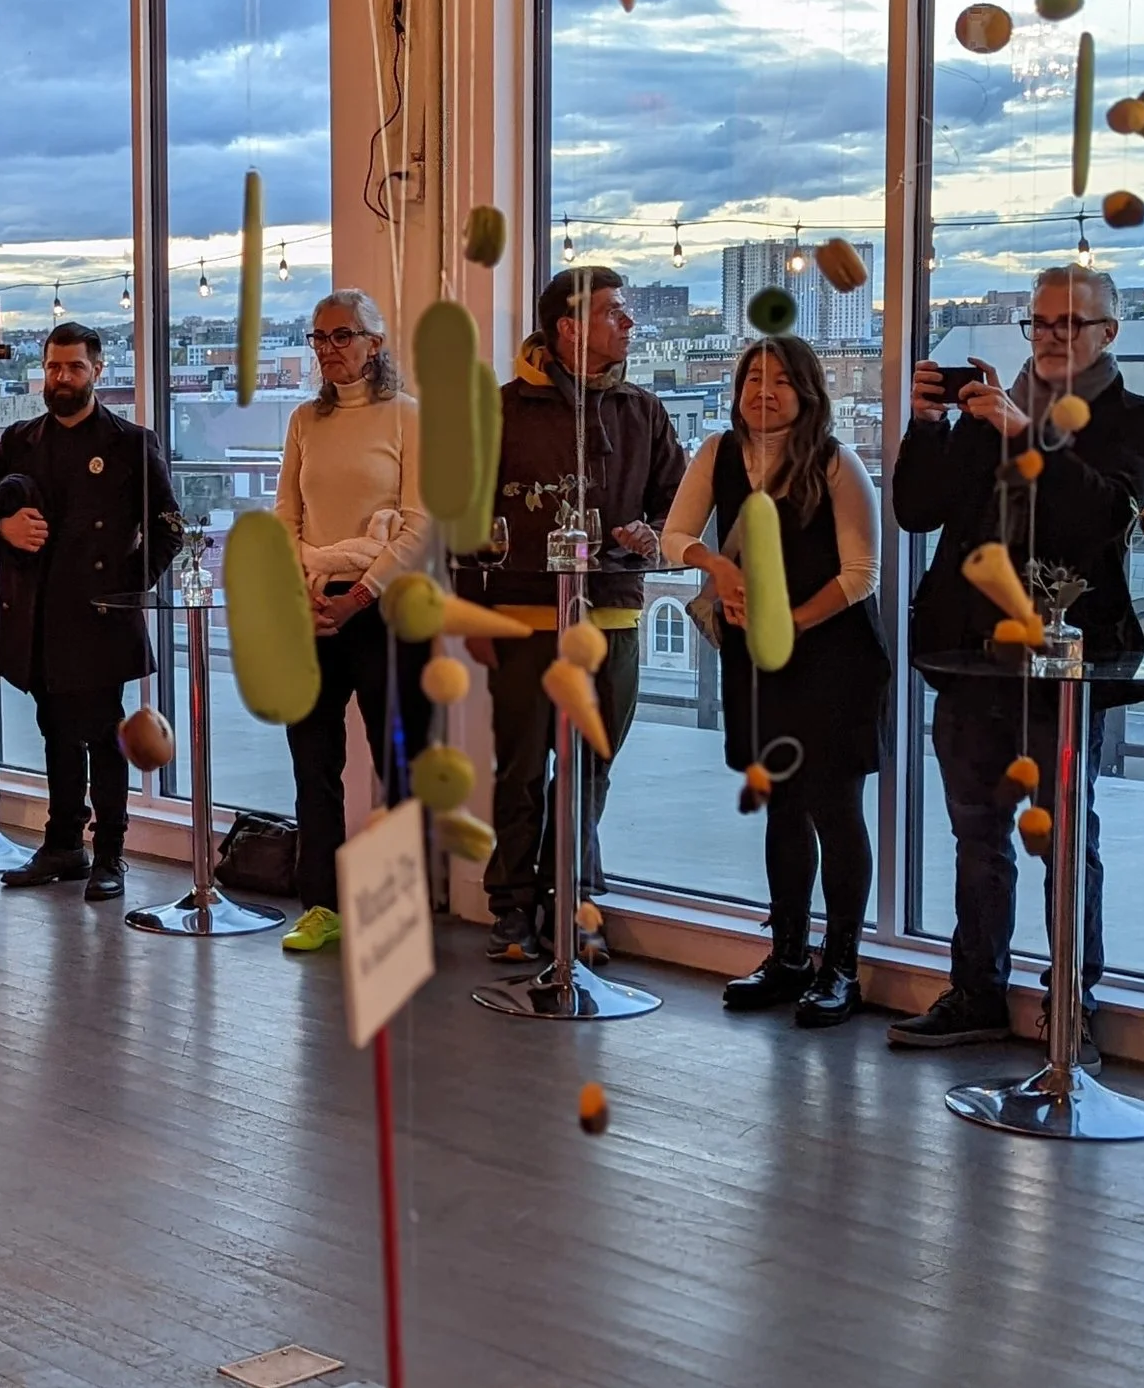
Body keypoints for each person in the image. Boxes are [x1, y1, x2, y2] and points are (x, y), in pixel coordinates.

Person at [890, 266, 1144, 1066]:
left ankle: (1072, 1008)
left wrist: (1024, 433)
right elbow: (917, 509)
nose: (1049, 337)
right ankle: (975, 993)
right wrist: (926, 425)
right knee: (976, 835)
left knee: (1067, 842)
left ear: (1108, 333)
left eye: (1068, 324)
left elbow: (1099, 516)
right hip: (971, 658)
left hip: (1067, 669)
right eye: (1038, 323)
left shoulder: (1134, 419)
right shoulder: (988, 412)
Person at [457, 266, 686, 962]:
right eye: (615, 311)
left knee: (590, 772)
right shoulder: (498, 411)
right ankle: (511, 908)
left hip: (611, 617)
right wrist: (471, 611)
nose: (629, 323)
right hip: (521, 618)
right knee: (521, 770)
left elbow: (678, 505)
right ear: (568, 327)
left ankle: (572, 903)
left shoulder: (644, 412)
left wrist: (652, 533)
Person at [663, 336, 886, 1027]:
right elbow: (674, 537)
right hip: (760, 657)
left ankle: (841, 968)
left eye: (781, 380)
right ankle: (788, 955)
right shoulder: (717, 454)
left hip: (834, 655)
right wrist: (717, 567)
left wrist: (789, 620)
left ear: (808, 392)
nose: (763, 391)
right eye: (752, 378)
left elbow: (862, 575)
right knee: (783, 804)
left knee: (835, 810)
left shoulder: (837, 462)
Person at [0, 322, 181, 901]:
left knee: (103, 733)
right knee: (55, 730)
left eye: (75, 367)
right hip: (36, 615)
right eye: (54, 367)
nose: (62, 378)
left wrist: (126, 586)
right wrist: (3, 528)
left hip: (99, 617)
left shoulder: (131, 443)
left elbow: (168, 527)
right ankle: (63, 844)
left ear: (98, 371)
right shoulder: (19, 439)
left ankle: (109, 853)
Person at [273, 290, 432, 953]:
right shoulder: (305, 421)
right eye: (319, 337)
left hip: (386, 608)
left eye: (343, 335)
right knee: (313, 763)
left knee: (400, 763)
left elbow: (421, 523)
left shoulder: (409, 417)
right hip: (313, 607)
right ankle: (322, 905)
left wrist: (359, 595)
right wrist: (303, 595)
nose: (329, 349)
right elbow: (287, 517)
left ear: (375, 344)